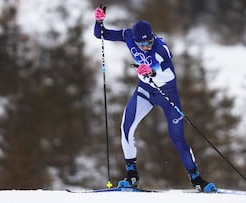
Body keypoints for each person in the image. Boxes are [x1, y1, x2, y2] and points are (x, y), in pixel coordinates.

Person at [93, 6, 217, 192]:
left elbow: (169, 74)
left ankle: (196, 178)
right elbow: (101, 34)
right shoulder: (128, 36)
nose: (146, 47)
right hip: (145, 90)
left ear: (153, 37)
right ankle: (132, 175)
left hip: (167, 95)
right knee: (126, 127)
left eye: (148, 42)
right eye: (141, 44)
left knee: (178, 139)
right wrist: (99, 21)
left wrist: (152, 70)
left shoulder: (161, 48)